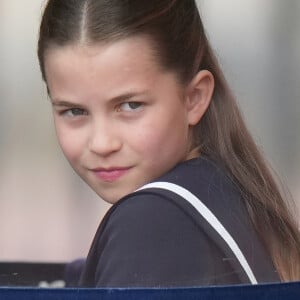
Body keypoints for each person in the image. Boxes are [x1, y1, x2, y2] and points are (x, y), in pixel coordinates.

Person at [37, 0, 300, 287]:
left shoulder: (151, 223)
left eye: (130, 105)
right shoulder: (227, 195)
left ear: (194, 98)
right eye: (74, 111)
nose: (101, 143)